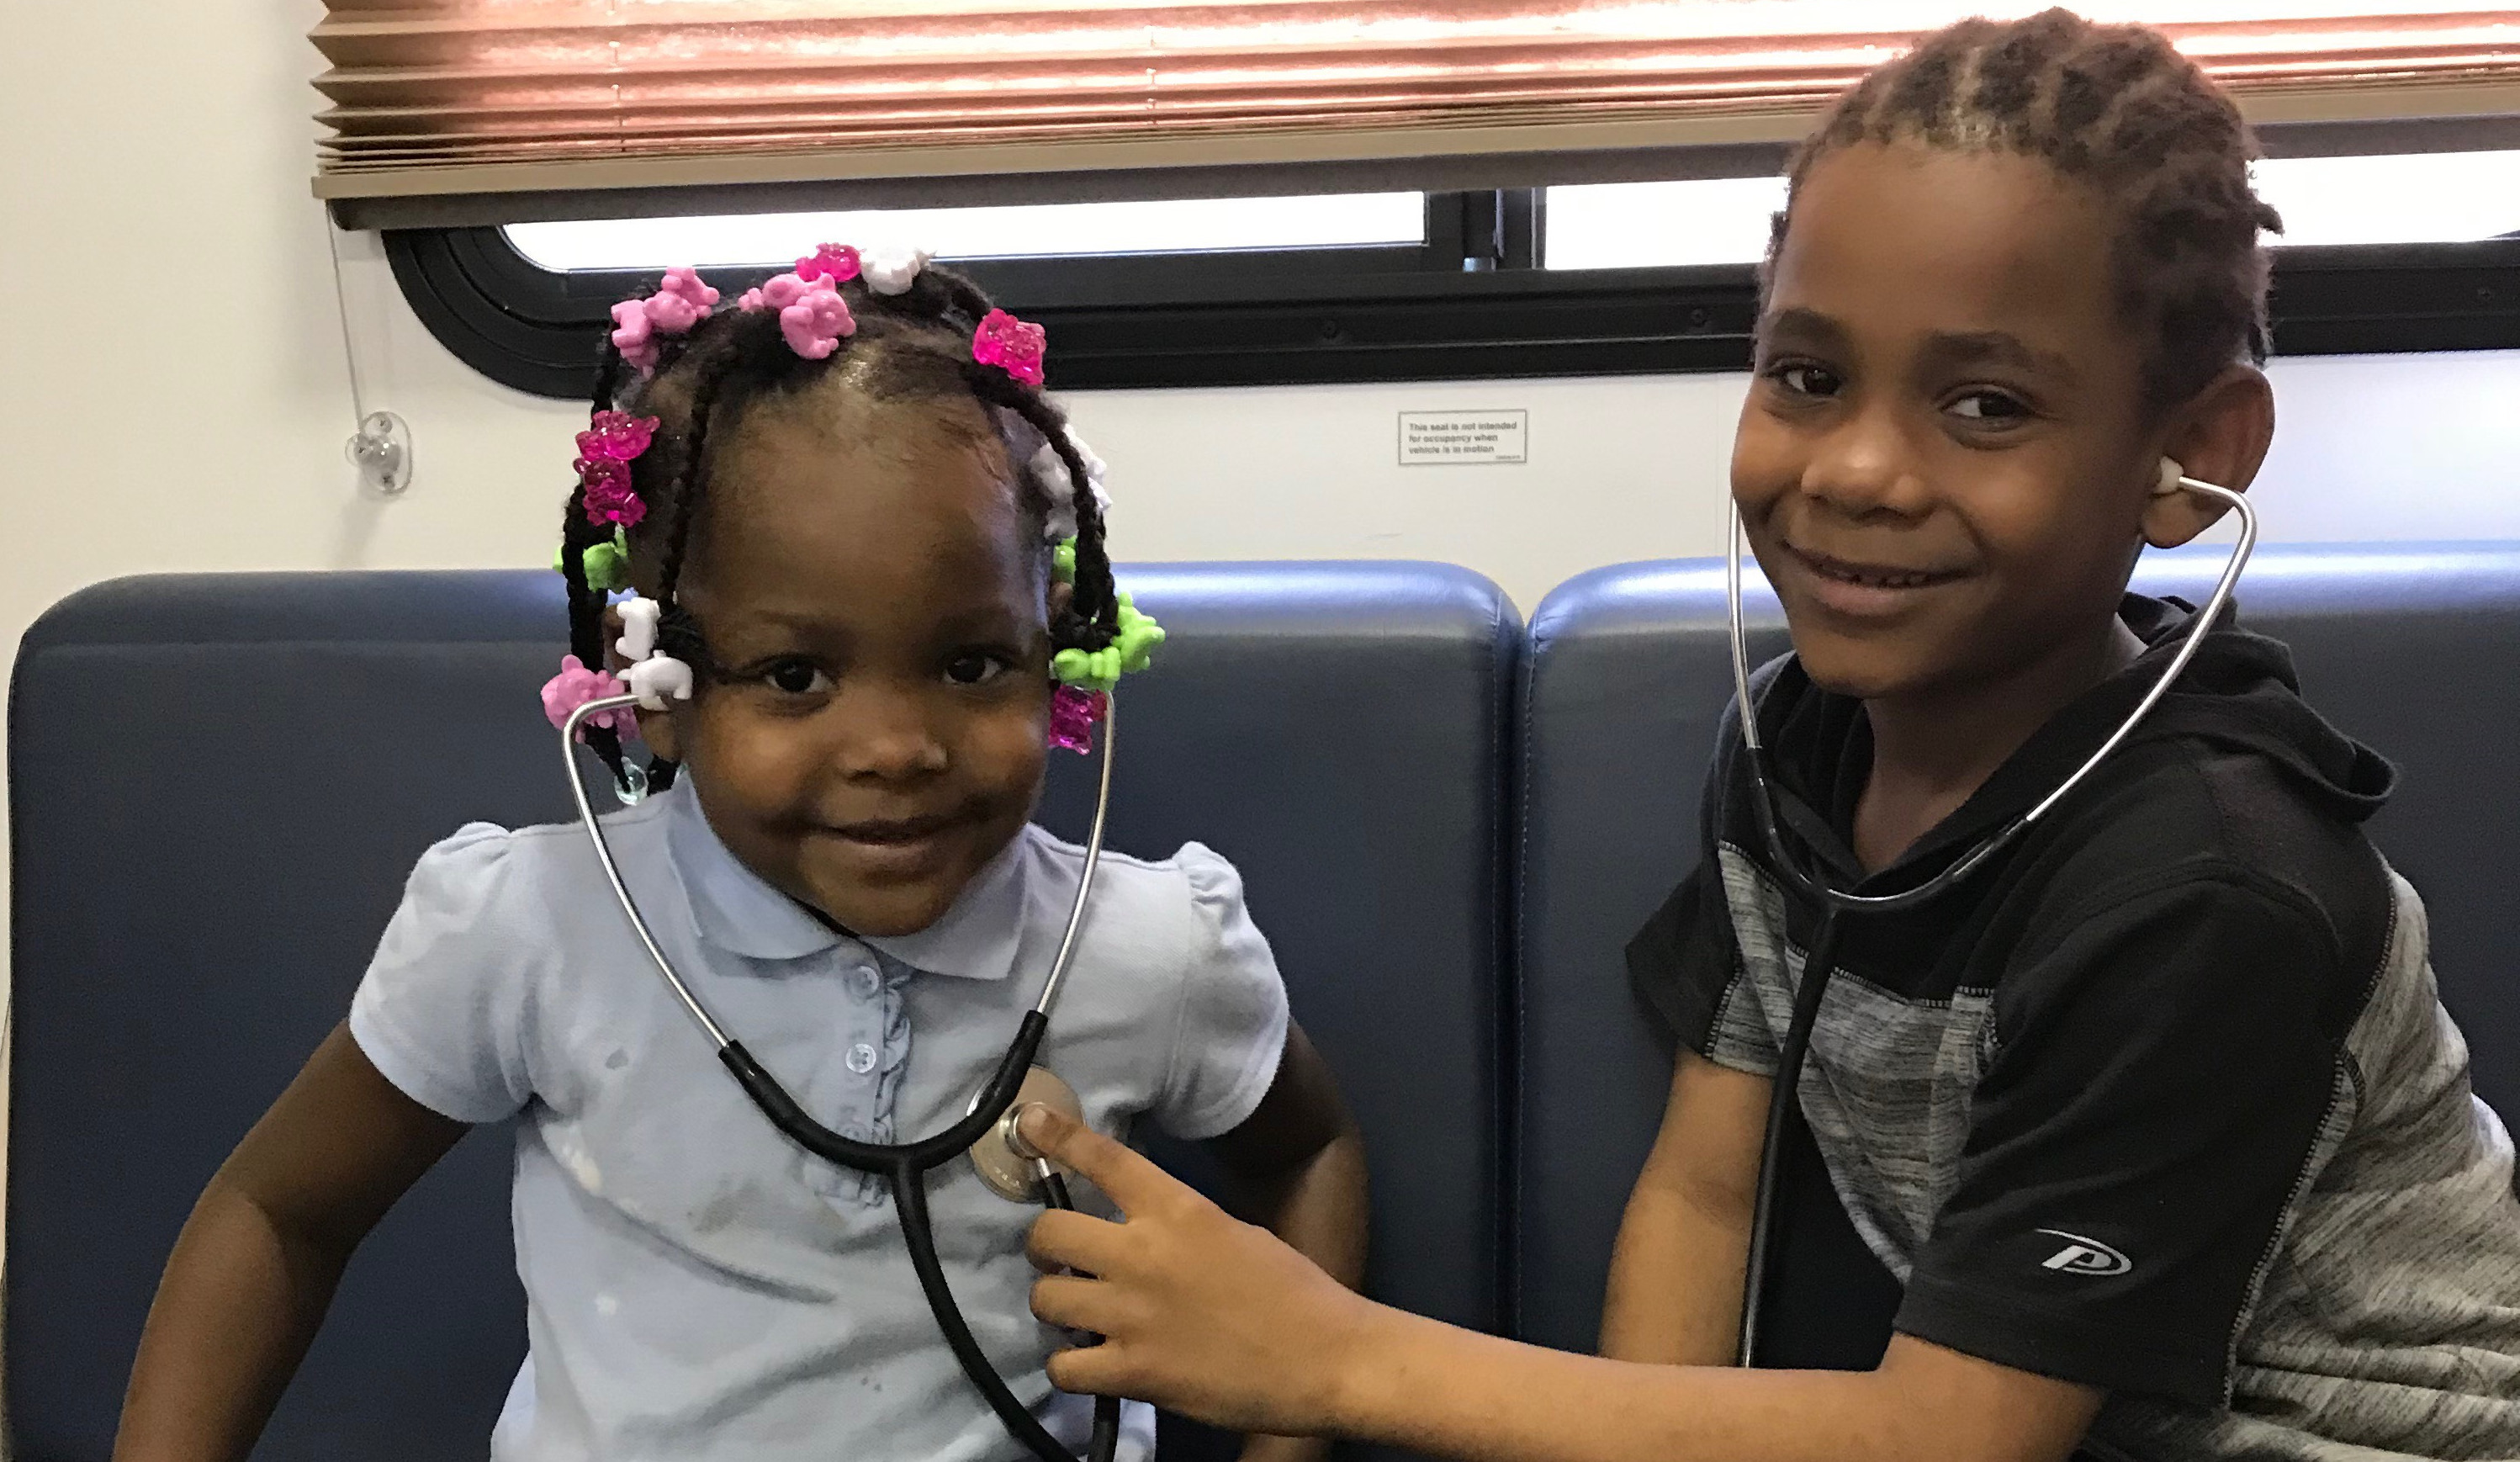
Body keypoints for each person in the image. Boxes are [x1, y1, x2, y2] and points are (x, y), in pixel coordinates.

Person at [1019, 12, 2520, 1461]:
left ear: (2191, 460)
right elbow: (1707, 1197)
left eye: (1985, 403)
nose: (1858, 468)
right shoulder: (1806, 746)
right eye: (1807, 377)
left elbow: (1952, 1433)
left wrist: (1333, 1356)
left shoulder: (2208, 888)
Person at [112, 246, 1367, 1462]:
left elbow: (1311, 1153)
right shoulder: (530, 930)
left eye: (972, 662)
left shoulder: (1149, 950)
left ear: (1064, 641)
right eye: (794, 674)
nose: (896, 747)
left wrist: (1285, 1440)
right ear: (653, 681)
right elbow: (277, 1211)